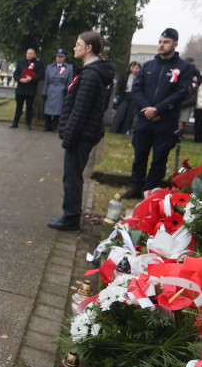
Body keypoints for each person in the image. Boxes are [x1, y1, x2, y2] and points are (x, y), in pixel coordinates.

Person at [48, 32, 114, 230]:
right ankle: (70, 215)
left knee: (72, 177)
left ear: (89, 48)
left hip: (81, 135)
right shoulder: (91, 72)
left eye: (78, 44)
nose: (74, 47)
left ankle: (70, 218)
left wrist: (68, 136)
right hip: (84, 133)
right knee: (73, 176)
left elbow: (80, 110)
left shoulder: (91, 74)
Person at [122, 28, 192, 198]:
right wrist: (148, 110)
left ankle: (150, 189)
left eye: (166, 42)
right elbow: (137, 89)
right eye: (160, 42)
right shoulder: (148, 66)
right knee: (140, 155)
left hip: (166, 120)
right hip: (145, 118)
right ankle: (136, 187)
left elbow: (181, 93)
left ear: (175, 44)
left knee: (159, 157)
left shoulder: (184, 67)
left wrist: (158, 109)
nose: (161, 45)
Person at [10, 48, 45, 130]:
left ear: (34, 55)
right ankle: (15, 122)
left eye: (30, 53)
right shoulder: (21, 63)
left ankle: (28, 124)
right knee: (19, 106)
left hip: (31, 89)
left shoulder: (38, 64)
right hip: (21, 88)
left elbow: (41, 75)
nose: (28, 55)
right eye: (27, 53)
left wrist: (31, 78)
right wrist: (20, 79)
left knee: (29, 107)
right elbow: (15, 74)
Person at [42, 49, 74, 132]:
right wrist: (44, 92)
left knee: (58, 110)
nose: (58, 58)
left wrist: (68, 92)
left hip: (60, 90)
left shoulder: (68, 68)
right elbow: (46, 81)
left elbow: (70, 81)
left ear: (64, 58)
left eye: (61, 57)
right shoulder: (50, 67)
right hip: (50, 89)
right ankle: (47, 126)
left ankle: (54, 126)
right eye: (57, 56)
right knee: (48, 109)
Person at [109, 62, 141, 134]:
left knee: (129, 115)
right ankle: (113, 130)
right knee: (120, 113)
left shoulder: (141, 77)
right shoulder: (125, 75)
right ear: (130, 68)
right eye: (134, 67)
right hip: (125, 96)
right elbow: (120, 86)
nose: (135, 69)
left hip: (134, 97)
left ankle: (126, 131)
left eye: (137, 68)